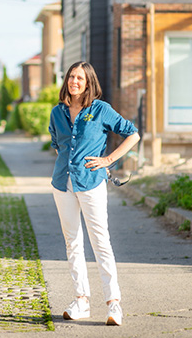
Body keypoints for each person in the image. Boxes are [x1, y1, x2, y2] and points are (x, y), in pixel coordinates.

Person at [48, 61, 140, 326]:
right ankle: (81, 301)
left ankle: (114, 304)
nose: (74, 81)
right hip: (62, 184)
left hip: (91, 183)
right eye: (71, 77)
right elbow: (57, 144)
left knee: (100, 242)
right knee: (73, 243)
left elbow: (132, 134)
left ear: (89, 82)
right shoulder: (57, 112)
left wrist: (108, 159)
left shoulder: (101, 110)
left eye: (80, 78)